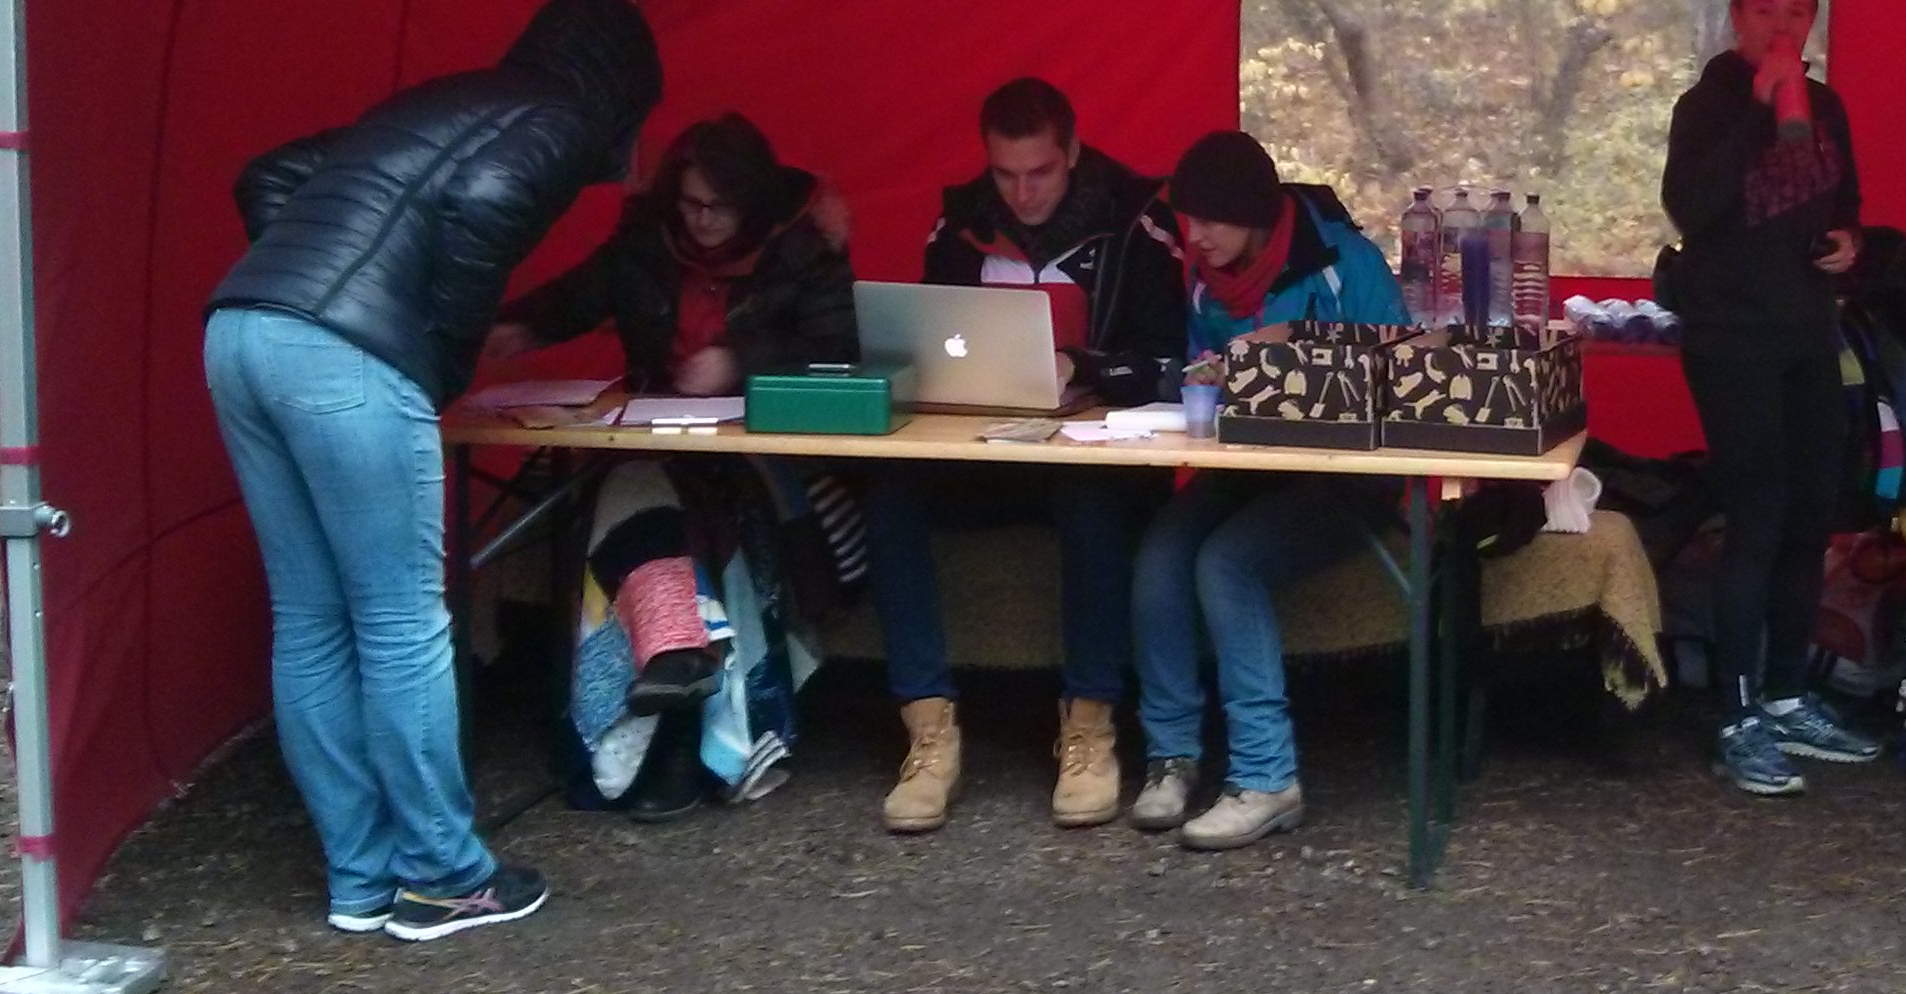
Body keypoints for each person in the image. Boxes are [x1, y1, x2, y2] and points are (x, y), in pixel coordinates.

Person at [204, 0, 661, 943]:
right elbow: (488, 201)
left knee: (311, 619)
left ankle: (359, 877)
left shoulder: (446, 96)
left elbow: (270, 173)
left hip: (242, 328)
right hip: (346, 358)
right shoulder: (562, 118)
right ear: (623, 84)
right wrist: (437, 349)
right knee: (401, 623)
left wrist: (308, 285)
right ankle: (445, 878)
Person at [481, 113, 860, 820]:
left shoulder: (802, 250)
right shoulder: (647, 242)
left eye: (718, 206)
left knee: (645, 501)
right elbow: (581, 293)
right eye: (689, 204)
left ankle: (667, 730)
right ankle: (687, 700)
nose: (701, 220)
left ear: (753, 203)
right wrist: (520, 325)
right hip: (657, 441)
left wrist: (740, 362)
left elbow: (840, 350)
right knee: (642, 488)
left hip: (763, 458)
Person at [868, 76, 1186, 834]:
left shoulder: (1137, 224)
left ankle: (1090, 727)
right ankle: (929, 731)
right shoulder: (959, 226)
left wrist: (1087, 368)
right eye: (1004, 174)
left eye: (1039, 172)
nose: (1022, 193)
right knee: (887, 489)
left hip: (1093, 456)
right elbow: (924, 341)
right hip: (983, 448)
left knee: (1089, 501)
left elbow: (1172, 360)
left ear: (1072, 152)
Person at [1128, 130, 1405, 851]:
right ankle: (1171, 757)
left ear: (1254, 213)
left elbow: (1401, 373)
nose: (1196, 236)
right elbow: (1203, 371)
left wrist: (1291, 356)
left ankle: (1265, 776)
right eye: (1188, 219)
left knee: (1226, 562)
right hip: (1249, 468)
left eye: (1211, 220)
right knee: (1161, 553)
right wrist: (1207, 377)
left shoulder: (1346, 263)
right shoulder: (1204, 280)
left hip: (1348, 479)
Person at [1661, 0, 1882, 796]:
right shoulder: (1708, 104)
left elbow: (1847, 202)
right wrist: (1759, 111)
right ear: (1736, 18)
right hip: (1731, 339)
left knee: (1808, 517)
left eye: (1796, 11)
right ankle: (1738, 712)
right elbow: (1691, 207)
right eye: (1764, 9)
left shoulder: (1828, 107)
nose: (1781, 26)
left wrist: (1850, 242)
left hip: (1808, 334)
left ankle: (1789, 694)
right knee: (1755, 517)